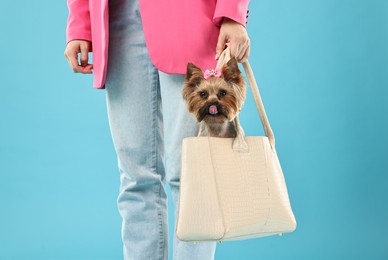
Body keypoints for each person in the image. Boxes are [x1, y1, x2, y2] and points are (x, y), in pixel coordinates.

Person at [64, 0, 250, 259]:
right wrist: (81, 23)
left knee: (190, 176)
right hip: (117, 20)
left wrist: (233, 12)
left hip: (191, 18)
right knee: (135, 178)